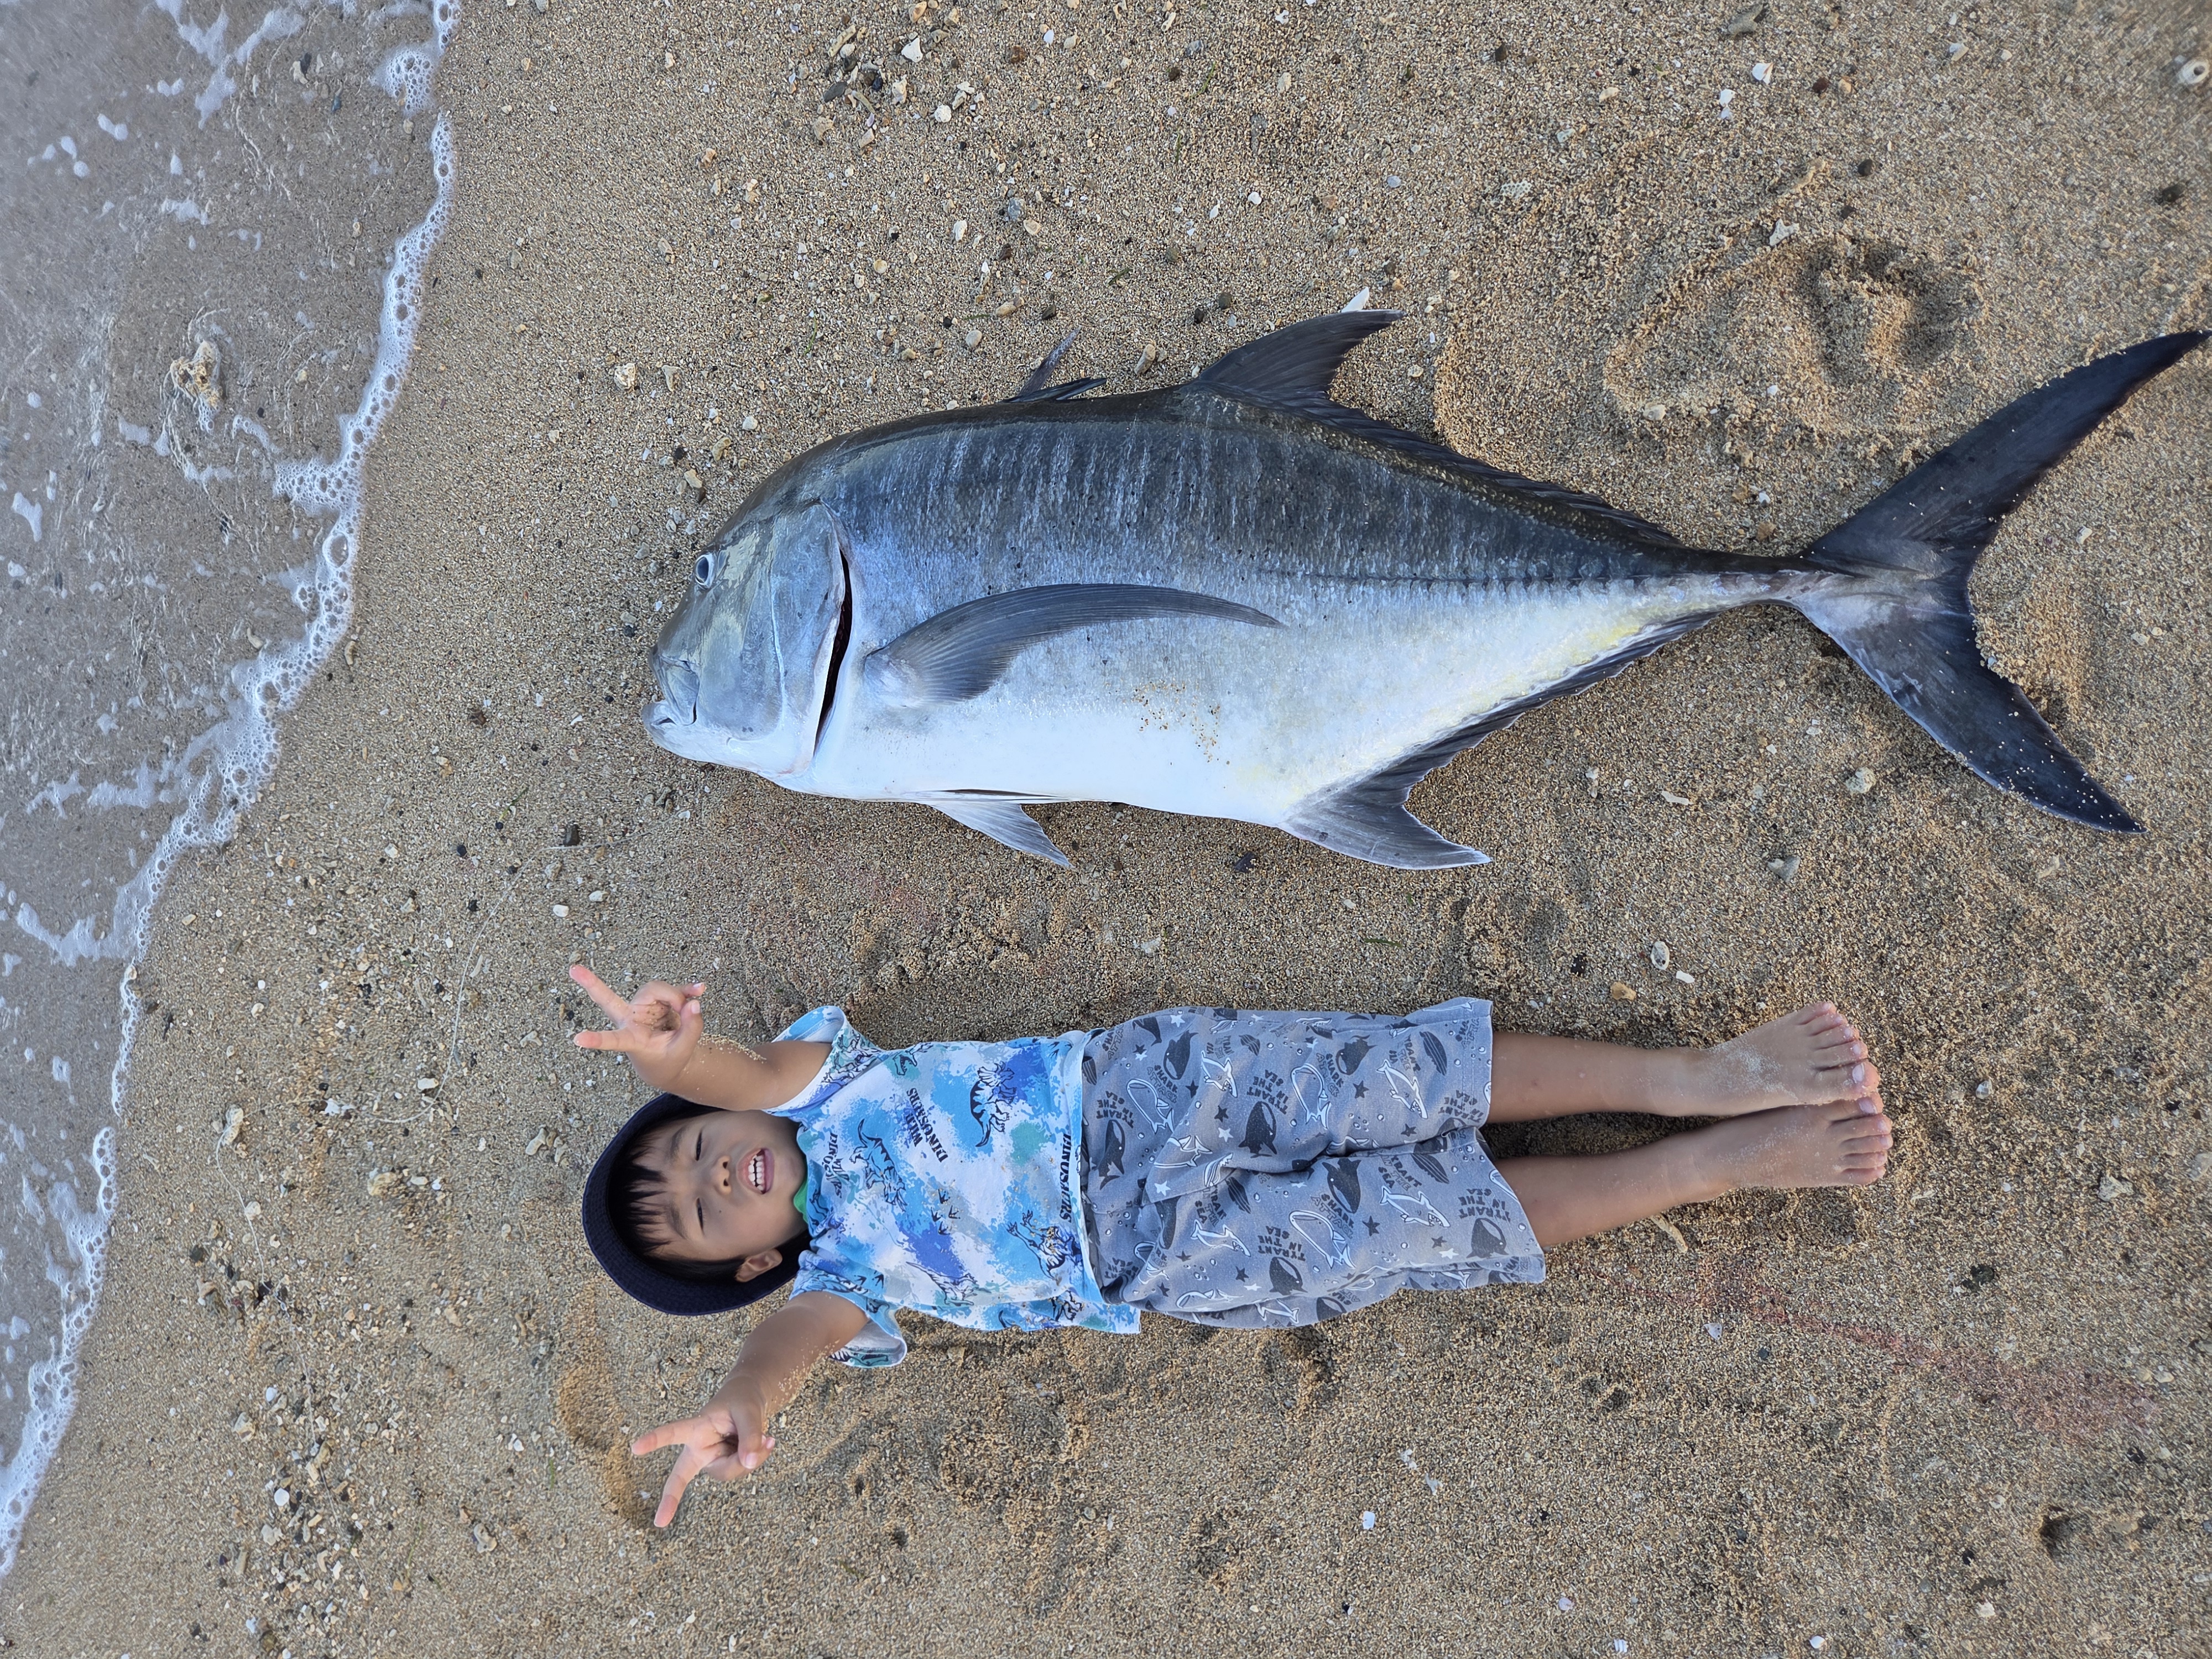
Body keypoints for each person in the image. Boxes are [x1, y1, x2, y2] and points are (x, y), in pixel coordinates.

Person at [572, 965, 1890, 1528]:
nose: (713, 1173)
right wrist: (737, 1406)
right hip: (1163, 1261)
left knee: (1394, 1075)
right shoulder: (835, 1282)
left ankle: (1689, 1076)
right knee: (1416, 1225)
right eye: (703, 1213)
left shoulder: (814, 1079)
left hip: (1147, 1091)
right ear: (750, 1262)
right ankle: (1698, 1167)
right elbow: (783, 1355)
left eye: (691, 1143)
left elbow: (737, 1066)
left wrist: (685, 1057)